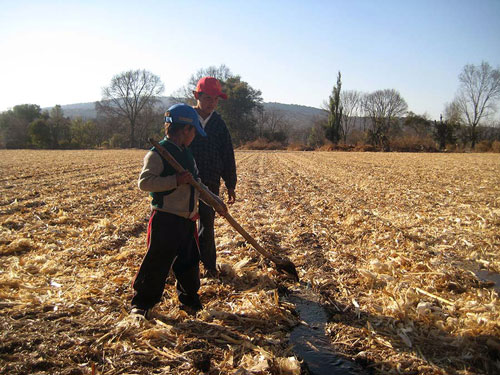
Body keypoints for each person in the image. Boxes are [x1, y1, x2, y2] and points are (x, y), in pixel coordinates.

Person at [131, 103, 227, 318]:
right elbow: (145, 183)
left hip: (187, 220)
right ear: (185, 130)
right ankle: (142, 304)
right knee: (157, 262)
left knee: (189, 263)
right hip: (166, 219)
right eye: (194, 131)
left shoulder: (187, 155)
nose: (194, 136)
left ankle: (190, 301)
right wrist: (175, 180)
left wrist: (215, 202)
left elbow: (197, 184)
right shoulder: (158, 154)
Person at [189, 76, 237, 278]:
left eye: (215, 99)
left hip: (209, 182)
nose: (212, 103)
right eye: (208, 98)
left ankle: (209, 265)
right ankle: (182, 265)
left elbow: (227, 154)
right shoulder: (186, 118)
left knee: (207, 226)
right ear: (197, 96)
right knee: (183, 224)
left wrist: (230, 184)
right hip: (185, 182)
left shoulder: (218, 124)